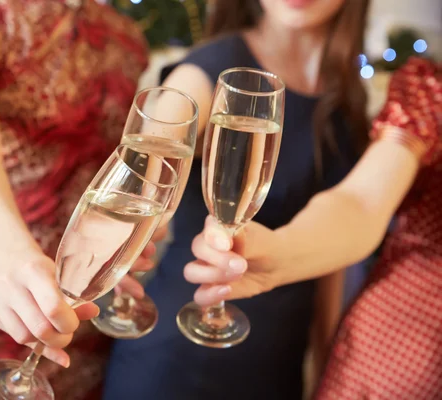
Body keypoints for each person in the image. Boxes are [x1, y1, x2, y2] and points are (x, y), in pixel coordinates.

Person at [102, 1, 370, 399]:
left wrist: (328, 359)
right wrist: (142, 188)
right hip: (176, 353)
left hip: (277, 365)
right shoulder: (212, 64)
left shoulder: (348, 94)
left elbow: (335, 256)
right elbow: (166, 127)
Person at [0, 0, 153, 398]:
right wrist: (10, 259)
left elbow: (109, 165)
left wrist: (125, 242)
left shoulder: (127, 38)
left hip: (78, 313)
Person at [186, 57, 441, 398]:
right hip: (402, 351)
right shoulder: (432, 88)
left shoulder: (343, 94)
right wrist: (279, 254)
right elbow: (363, 202)